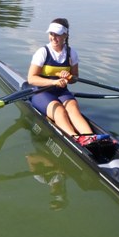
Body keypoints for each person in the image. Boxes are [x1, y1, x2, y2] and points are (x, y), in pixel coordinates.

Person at [28, 18, 105, 146]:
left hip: (61, 91)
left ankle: (90, 138)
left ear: (65, 35)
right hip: (41, 91)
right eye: (51, 34)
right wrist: (54, 82)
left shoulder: (71, 53)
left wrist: (69, 77)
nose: (53, 38)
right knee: (60, 111)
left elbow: (75, 79)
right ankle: (75, 139)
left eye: (57, 34)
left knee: (73, 108)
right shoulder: (42, 52)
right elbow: (31, 79)